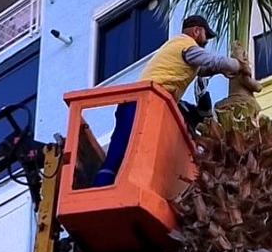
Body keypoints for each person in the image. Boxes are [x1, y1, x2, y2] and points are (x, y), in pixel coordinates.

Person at [92, 15, 253, 186]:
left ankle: (101, 188)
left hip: (132, 101)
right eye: (205, 37)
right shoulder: (187, 46)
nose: (205, 42)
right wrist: (239, 65)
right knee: (137, 151)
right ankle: (116, 187)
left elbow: (204, 68)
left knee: (119, 150)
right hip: (145, 104)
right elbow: (214, 61)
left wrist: (221, 71)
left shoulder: (175, 47)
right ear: (197, 31)